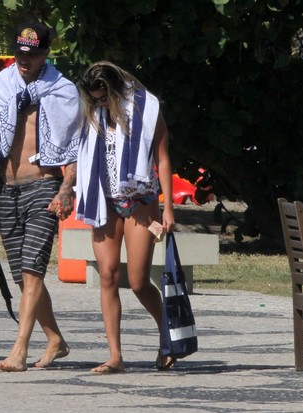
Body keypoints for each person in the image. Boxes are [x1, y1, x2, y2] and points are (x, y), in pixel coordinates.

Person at [0, 21, 81, 372]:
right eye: (19, 53)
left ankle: (20, 347)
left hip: (44, 185)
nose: (23, 60)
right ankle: (56, 340)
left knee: (33, 270)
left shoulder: (63, 91)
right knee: (21, 276)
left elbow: (74, 147)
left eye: (31, 54)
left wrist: (66, 187)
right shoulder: (3, 84)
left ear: (46, 53)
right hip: (8, 188)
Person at [75, 61, 176, 373]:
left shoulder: (147, 111)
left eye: (104, 98)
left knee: (137, 281)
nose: (100, 104)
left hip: (139, 200)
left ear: (116, 91)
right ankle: (115, 356)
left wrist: (168, 207)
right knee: (107, 274)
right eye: (94, 99)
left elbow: (162, 158)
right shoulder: (93, 116)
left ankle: (168, 336)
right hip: (102, 199)